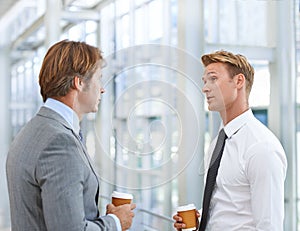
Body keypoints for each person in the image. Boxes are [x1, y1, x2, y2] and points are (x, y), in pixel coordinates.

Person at [6, 40, 136, 231]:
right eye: (99, 79)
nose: (102, 88)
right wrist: (115, 222)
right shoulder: (59, 142)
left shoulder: (33, 131)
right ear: (79, 83)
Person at [173, 50, 287, 230]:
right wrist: (201, 219)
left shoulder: (261, 148)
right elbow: (229, 205)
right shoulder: (220, 141)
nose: (205, 88)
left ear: (238, 81)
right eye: (205, 81)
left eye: (213, 79)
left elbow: (269, 225)